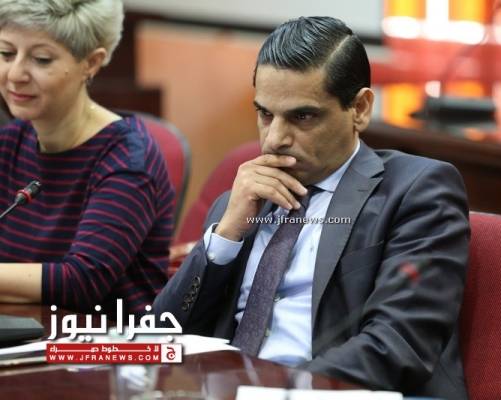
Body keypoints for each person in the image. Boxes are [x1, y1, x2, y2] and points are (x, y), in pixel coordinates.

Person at [153, 16, 469, 399]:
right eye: (265, 114)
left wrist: (273, 391)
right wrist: (225, 236)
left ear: (360, 108)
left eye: (302, 117)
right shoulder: (244, 201)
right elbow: (163, 334)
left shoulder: (416, 191)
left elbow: (397, 345)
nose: (274, 139)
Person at [0, 0, 174, 315]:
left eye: (41, 59)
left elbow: (82, 280)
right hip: (23, 331)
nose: (15, 74)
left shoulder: (128, 159)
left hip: (108, 339)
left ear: (91, 63)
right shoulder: (9, 142)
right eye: (6, 53)